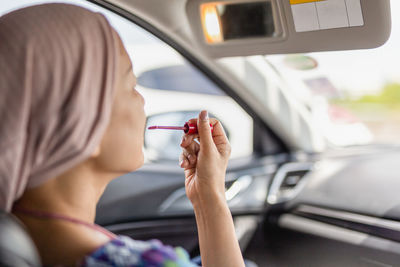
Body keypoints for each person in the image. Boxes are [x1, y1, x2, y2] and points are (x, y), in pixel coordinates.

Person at [0, 3, 245, 267]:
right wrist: (215, 199)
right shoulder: (141, 263)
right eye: (131, 85)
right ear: (83, 122)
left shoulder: (13, 234)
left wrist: (207, 196)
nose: (141, 101)